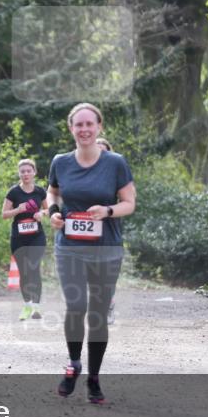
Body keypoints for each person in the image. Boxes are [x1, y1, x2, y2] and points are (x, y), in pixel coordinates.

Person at [47, 104, 136, 404]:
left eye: (89, 124)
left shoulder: (115, 163)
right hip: (69, 246)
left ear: (99, 127)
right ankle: (73, 365)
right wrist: (54, 212)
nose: (84, 129)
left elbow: (129, 202)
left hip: (106, 249)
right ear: (71, 128)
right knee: (76, 306)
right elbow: (53, 192)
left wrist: (108, 210)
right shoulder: (60, 162)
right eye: (78, 125)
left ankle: (94, 379)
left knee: (97, 314)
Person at [2, 159, 47, 320]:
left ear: (34, 172)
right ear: (19, 173)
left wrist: (41, 214)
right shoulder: (13, 192)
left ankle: (37, 307)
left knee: (34, 269)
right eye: (23, 171)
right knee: (24, 273)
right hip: (19, 238)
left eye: (29, 171)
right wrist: (17, 210)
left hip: (37, 237)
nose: (26, 174)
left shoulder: (40, 191)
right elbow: (4, 214)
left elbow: (48, 209)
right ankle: (27, 305)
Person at [95, 137, 118, 326]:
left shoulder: (117, 173)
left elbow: (127, 200)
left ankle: (108, 306)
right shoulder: (81, 173)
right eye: (97, 150)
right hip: (86, 232)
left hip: (109, 229)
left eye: (104, 151)